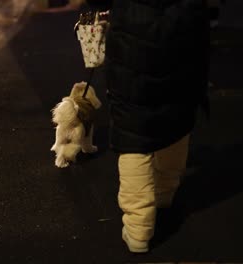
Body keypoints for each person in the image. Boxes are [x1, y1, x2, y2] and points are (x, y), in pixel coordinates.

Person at [85, 0, 211, 253]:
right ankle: (165, 193)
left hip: (133, 29)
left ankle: (138, 229)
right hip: (184, 27)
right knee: (177, 114)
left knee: (133, 132)